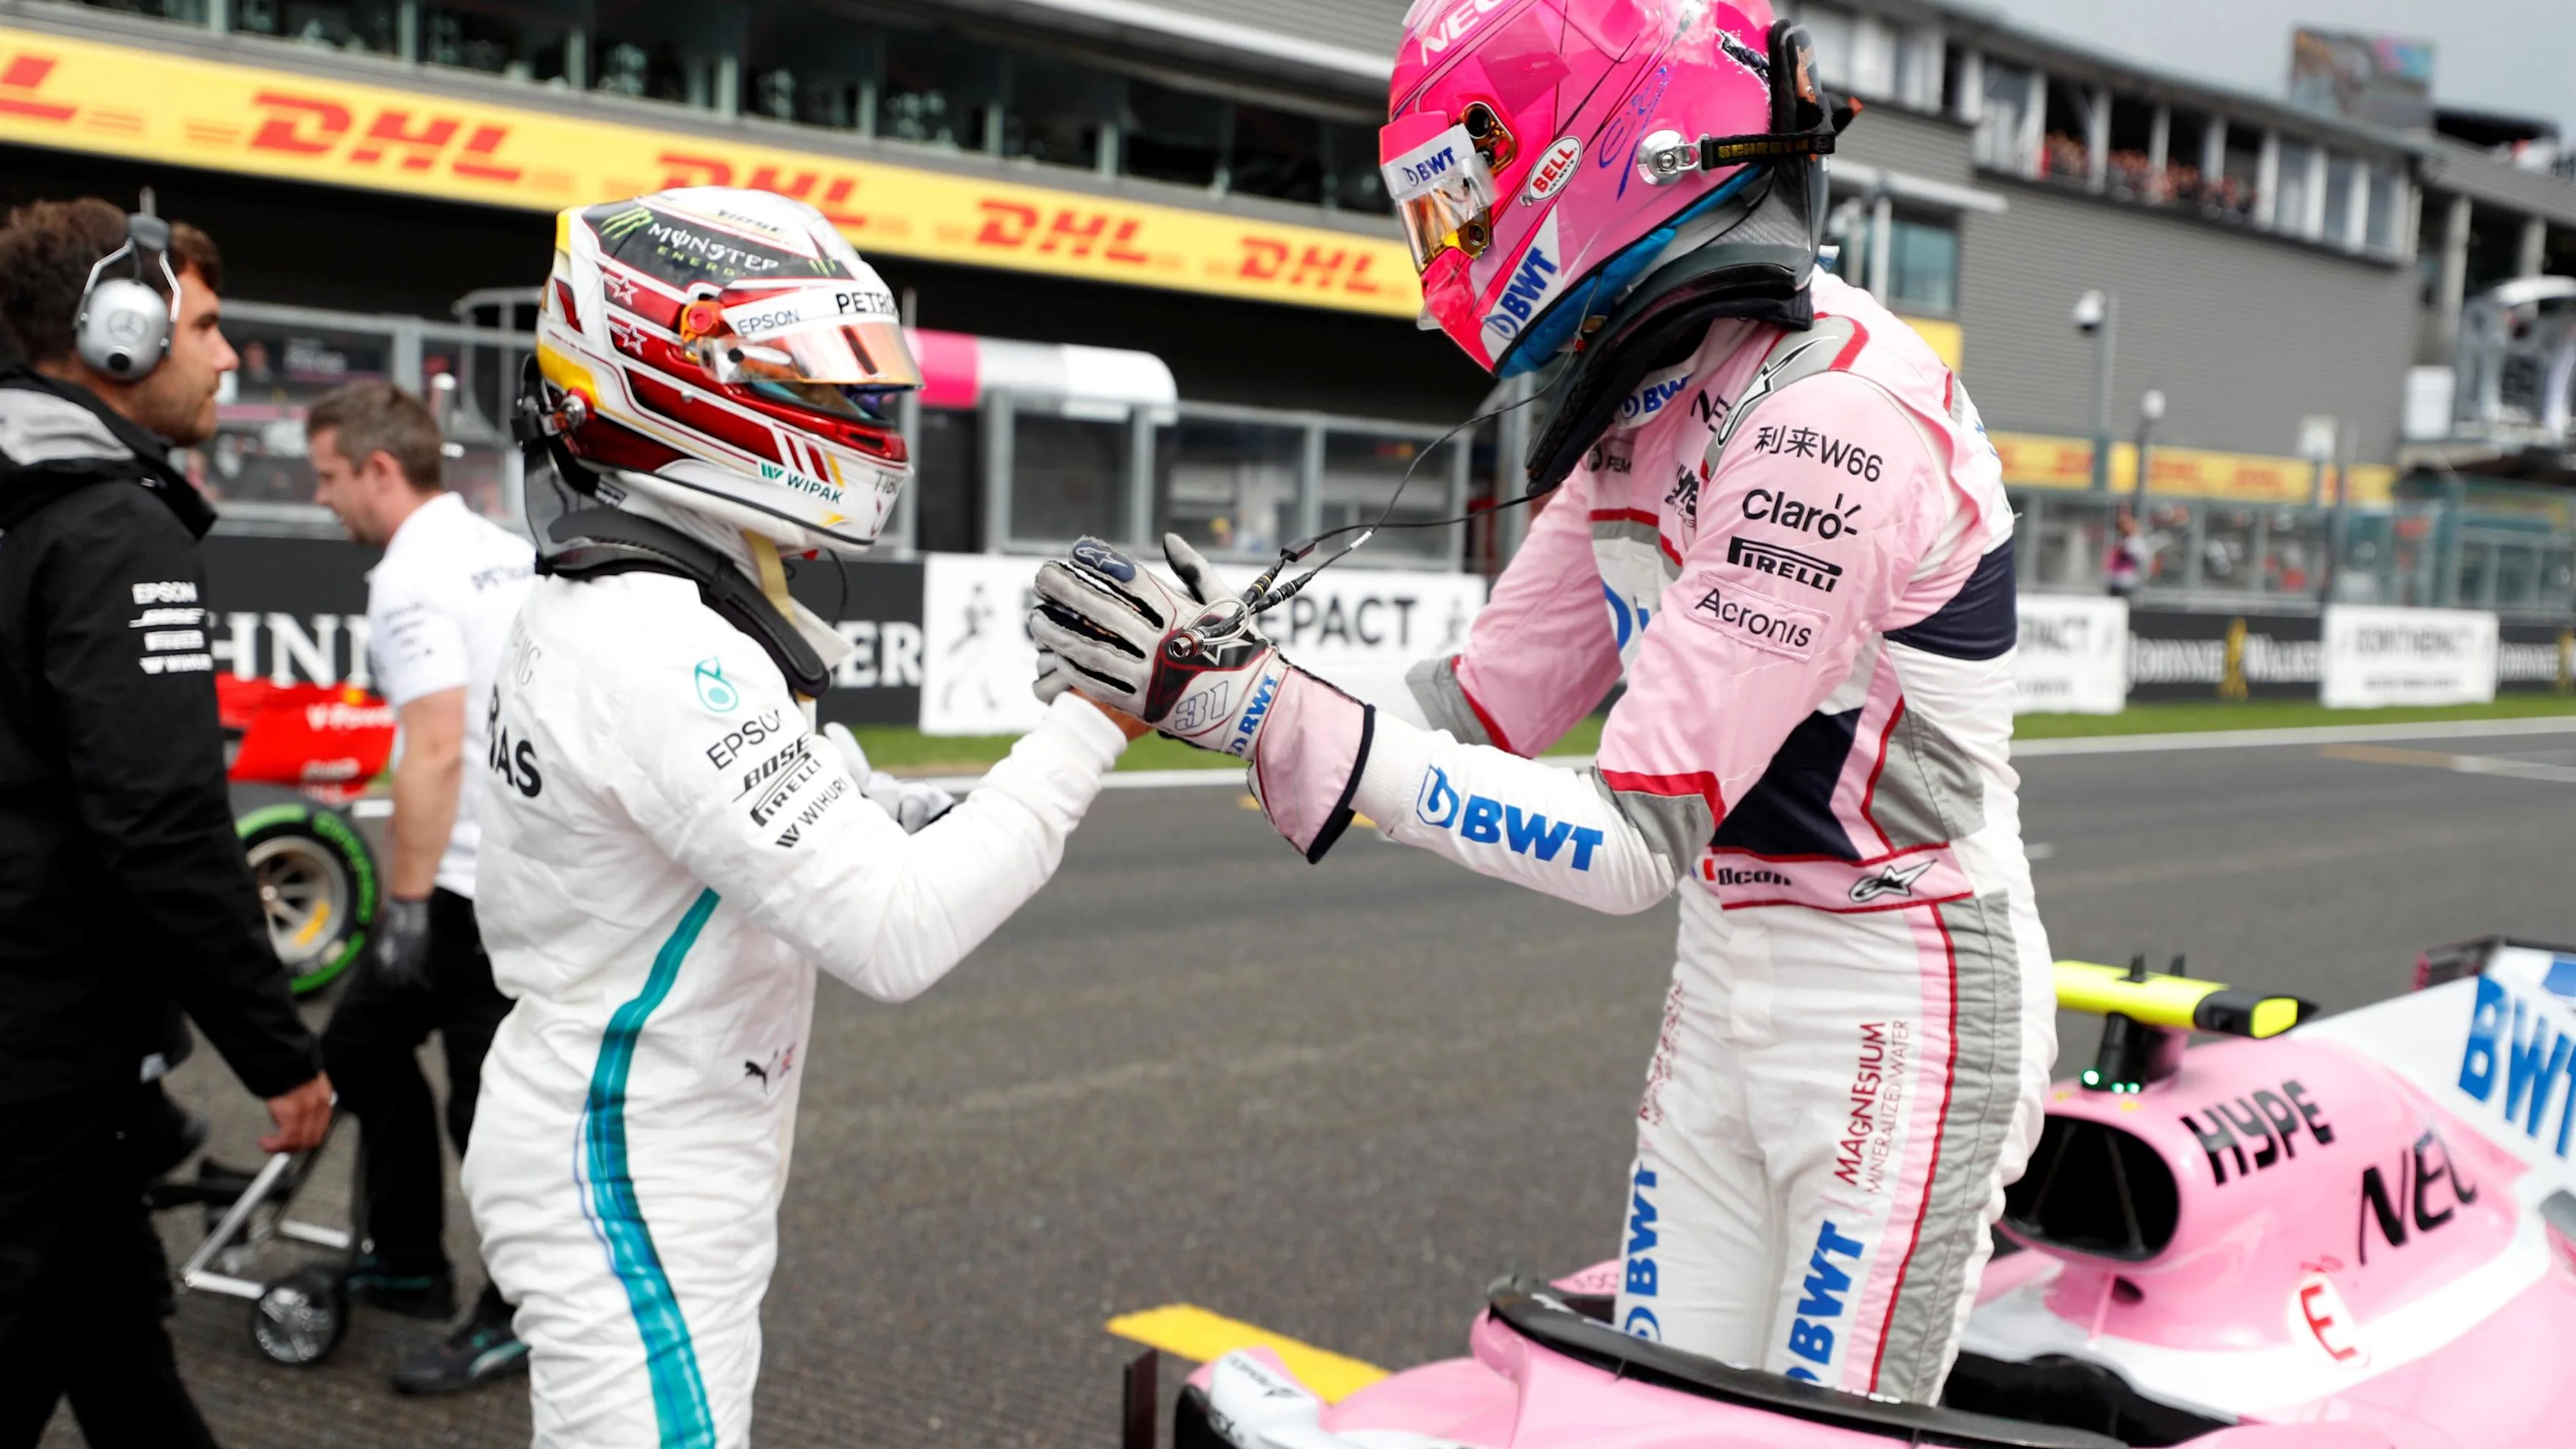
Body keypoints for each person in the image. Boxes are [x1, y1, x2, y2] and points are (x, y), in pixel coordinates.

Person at [1031, 3, 2053, 1405]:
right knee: (1654, 1418)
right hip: (1727, 973)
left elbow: (1631, 840)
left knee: (1818, 1440)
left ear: (1604, 150)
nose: (1449, 248)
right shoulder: (1654, 393)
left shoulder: (1831, 419)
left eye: (1463, 194)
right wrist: (1214, 673)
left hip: (1900, 1000)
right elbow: (1475, 706)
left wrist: (1269, 713)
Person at [462, 185, 1144, 1448]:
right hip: (630, 1157)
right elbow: (894, 932)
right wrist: (1100, 716)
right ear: (678, 377)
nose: (864, 415)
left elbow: (811, 811)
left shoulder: (639, 599)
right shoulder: (656, 643)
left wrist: (950, 800)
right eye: (821, 380)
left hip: (634, 1132)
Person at [0, 197, 333, 1446]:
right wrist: (278, 1052)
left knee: (120, 1349)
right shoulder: (109, 523)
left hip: (55, 1061)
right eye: (205, 327)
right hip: (45, 1055)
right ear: (120, 338)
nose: (229, 356)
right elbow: (161, 825)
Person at [305, 380, 533, 1393]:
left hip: (469, 892)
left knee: (488, 1116)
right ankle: (406, 1260)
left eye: (328, 477)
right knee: (361, 1049)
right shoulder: (500, 546)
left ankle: (520, 1313)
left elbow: (434, 747)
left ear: (380, 469)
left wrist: (402, 908)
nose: (322, 499)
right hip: (511, 874)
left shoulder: (408, 576)